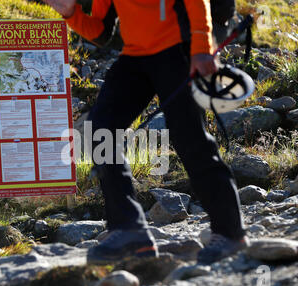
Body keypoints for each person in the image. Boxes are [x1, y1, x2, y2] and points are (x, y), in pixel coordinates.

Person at [44, 0, 249, 264]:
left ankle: (231, 232)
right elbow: (102, 31)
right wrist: (71, 14)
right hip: (135, 56)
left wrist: (201, 47)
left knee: (189, 138)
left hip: (180, 49)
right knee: (99, 129)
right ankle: (129, 229)